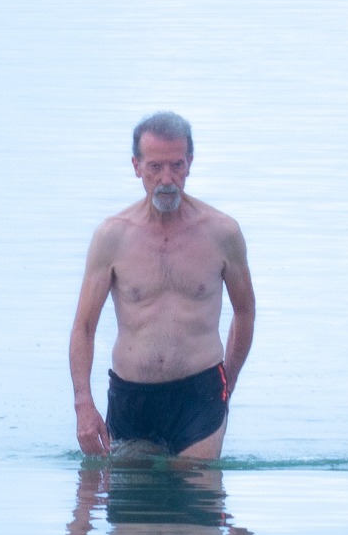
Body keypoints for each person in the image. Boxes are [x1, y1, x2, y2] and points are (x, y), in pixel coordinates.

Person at [70, 112, 256, 461]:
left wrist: (227, 383)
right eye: (155, 167)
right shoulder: (112, 237)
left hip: (200, 393)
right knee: (128, 495)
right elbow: (84, 327)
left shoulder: (222, 233)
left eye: (176, 165)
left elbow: (245, 312)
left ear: (190, 164)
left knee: (198, 486)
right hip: (132, 396)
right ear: (136, 166)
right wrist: (83, 404)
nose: (167, 179)